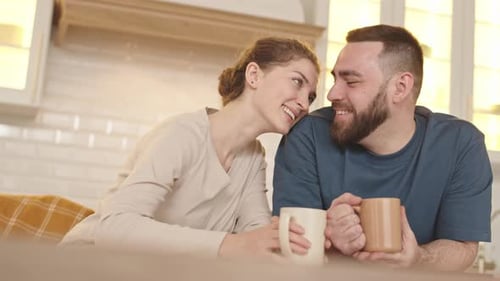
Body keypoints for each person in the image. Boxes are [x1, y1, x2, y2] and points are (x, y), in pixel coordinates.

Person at [60, 37, 320, 261]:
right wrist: (229, 245)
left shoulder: (253, 158)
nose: (304, 105)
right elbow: (114, 227)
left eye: (310, 96)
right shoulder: (184, 134)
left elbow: (255, 236)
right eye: (297, 82)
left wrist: (287, 239)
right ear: (254, 75)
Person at [272, 24, 492, 271]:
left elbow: (463, 246)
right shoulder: (308, 136)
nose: (332, 93)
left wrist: (418, 258)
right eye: (335, 79)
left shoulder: (461, 144)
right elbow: (289, 253)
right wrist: (327, 241)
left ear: (400, 87)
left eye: (351, 81)